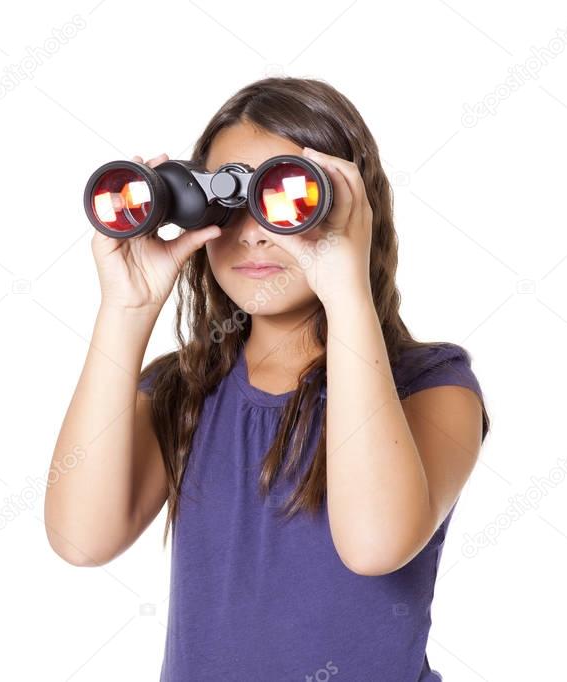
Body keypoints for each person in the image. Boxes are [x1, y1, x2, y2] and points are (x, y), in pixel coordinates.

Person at [46, 76, 491, 681]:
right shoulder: (184, 390)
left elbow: (374, 545)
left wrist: (347, 288)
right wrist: (125, 311)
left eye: (282, 200)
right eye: (228, 202)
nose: (253, 231)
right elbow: (80, 540)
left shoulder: (434, 386)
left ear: (352, 210)